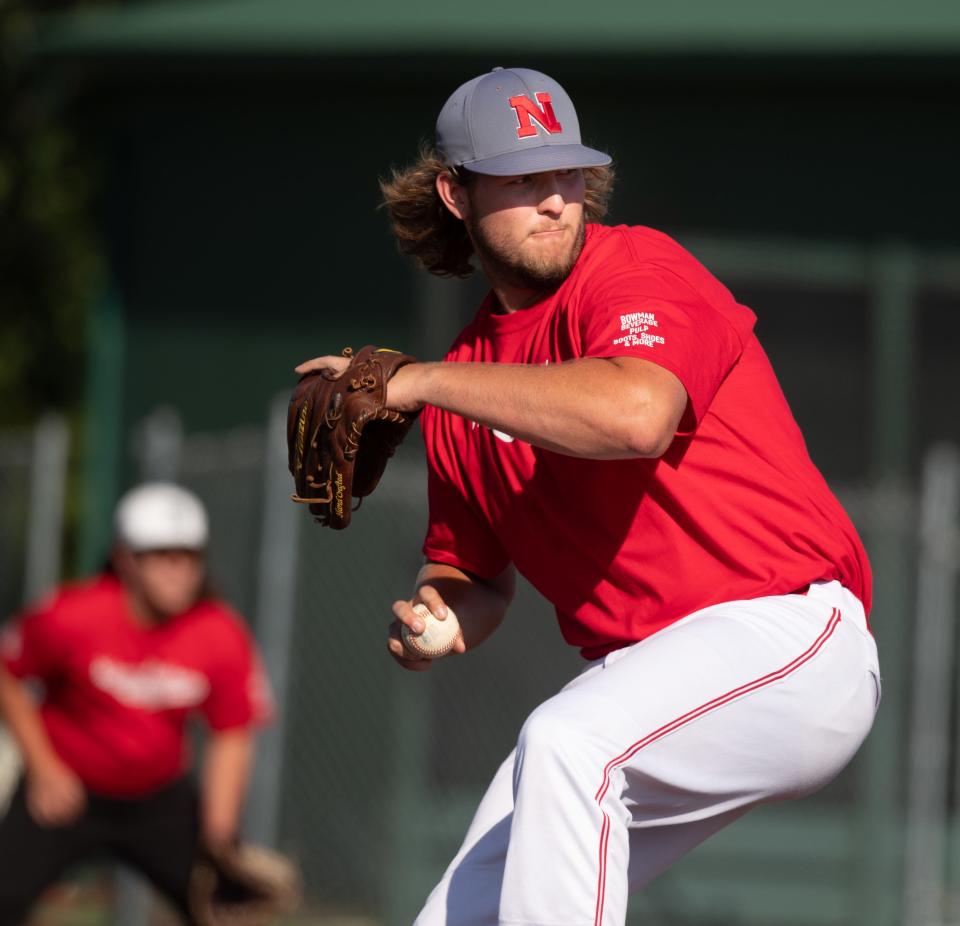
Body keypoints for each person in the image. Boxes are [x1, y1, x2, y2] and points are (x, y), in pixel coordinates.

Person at [298, 67, 881, 926]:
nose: (555, 200)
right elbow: (474, 574)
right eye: (524, 178)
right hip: (649, 677)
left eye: (567, 173)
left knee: (570, 746)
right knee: (463, 913)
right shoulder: (463, 385)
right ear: (457, 195)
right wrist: (441, 615)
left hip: (787, 637)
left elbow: (638, 414)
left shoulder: (634, 269)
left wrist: (421, 382)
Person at [0, 482, 273, 925]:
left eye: (190, 558)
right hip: (69, 788)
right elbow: (8, 673)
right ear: (127, 560)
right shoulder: (75, 615)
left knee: (223, 909)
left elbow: (231, 735)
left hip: (158, 799)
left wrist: (220, 834)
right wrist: (43, 766)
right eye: (164, 557)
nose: (181, 572)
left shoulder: (218, 632)